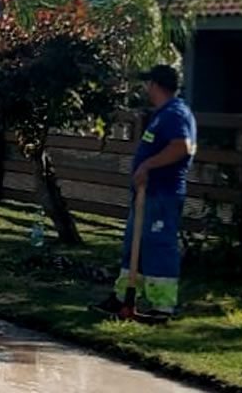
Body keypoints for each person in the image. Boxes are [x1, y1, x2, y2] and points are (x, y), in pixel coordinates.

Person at [91, 64, 197, 319]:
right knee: (134, 245)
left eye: (147, 83)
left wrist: (148, 165)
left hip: (162, 194)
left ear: (155, 85)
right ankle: (125, 297)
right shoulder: (161, 114)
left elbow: (182, 147)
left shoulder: (175, 113)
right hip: (145, 195)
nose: (145, 88)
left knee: (158, 246)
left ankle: (162, 305)